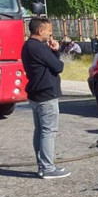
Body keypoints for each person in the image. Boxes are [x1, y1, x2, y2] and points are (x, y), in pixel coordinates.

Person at [21, 17, 70, 179]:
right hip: (46, 94)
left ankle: (43, 165)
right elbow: (58, 67)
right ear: (40, 31)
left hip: (36, 94)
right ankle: (48, 168)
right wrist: (56, 51)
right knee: (48, 131)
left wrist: (52, 51)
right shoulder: (39, 48)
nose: (51, 34)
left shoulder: (28, 46)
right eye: (49, 30)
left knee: (40, 131)